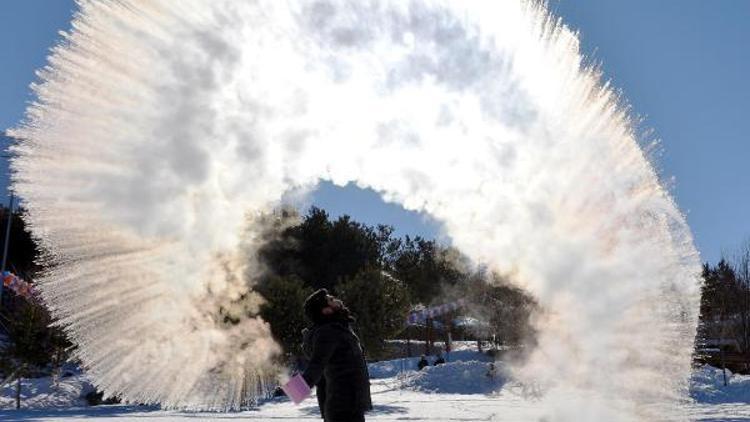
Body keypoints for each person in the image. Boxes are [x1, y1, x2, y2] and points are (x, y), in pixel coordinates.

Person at [301, 288, 372, 422]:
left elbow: (323, 377)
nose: (336, 299)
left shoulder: (339, 328)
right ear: (326, 310)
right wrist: (293, 391)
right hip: (343, 409)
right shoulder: (328, 332)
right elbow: (316, 365)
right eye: (331, 300)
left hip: (351, 405)